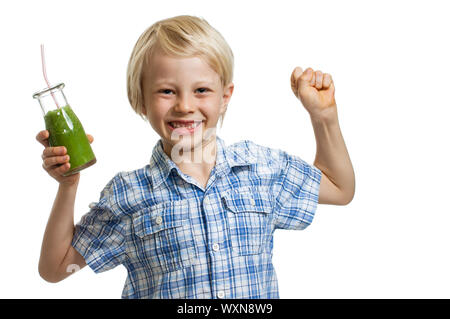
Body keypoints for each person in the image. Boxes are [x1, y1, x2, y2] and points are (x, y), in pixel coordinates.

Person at [36, 15, 355, 299]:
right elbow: (57, 268)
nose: (185, 105)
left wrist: (323, 117)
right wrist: (68, 185)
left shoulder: (260, 170)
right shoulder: (128, 194)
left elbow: (340, 188)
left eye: (201, 90)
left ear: (225, 96)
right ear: (141, 100)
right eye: (167, 91)